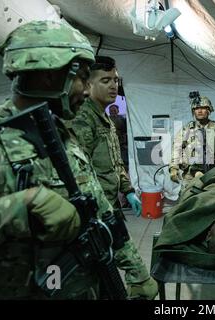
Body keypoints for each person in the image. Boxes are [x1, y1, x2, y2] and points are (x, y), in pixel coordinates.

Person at [0, 21, 104, 299]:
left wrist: (134, 269)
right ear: (50, 75)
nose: (87, 90)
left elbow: (99, 208)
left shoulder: (61, 133)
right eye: (83, 77)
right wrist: (20, 207)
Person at [67, 56, 158, 299]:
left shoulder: (105, 118)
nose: (113, 86)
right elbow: (78, 174)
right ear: (88, 86)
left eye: (116, 80)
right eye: (105, 80)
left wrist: (127, 189)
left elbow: (116, 160)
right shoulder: (83, 120)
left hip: (110, 205)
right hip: (96, 212)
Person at [169, 95, 215, 189]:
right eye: (196, 108)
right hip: (191, 175)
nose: (200, 111)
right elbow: (176, 149)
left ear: (209, 110)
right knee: (188, 199)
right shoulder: (186, 130)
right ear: (193, 111)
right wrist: (173, 168)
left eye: (203, 108)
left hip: (214, 173)